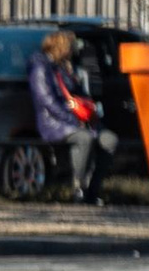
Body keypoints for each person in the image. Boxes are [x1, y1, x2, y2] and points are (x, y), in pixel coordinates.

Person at [31, 28, 119, 204]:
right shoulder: (40, 68)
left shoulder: (64, 68)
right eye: (70, 46)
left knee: (109, 140)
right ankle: (78, 187)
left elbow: (80, 94)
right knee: (84, 139)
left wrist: (88, 110)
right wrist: (72, 120)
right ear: (61, 47)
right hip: (55, 123)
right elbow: (47, 100)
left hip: (78, 120)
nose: (73, 50)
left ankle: (94, 190)